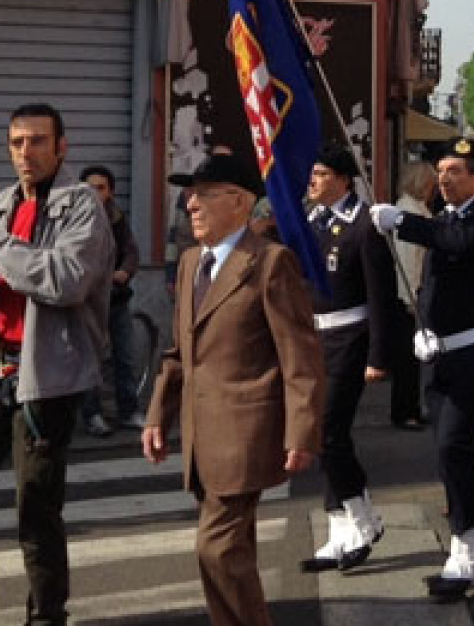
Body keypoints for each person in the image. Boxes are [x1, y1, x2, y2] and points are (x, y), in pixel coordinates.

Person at [0, 103, 114, 626]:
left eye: (38, 141)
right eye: (17, 142)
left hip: (46, 375)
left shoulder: (80, 205)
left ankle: (45, 617)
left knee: (35, 508)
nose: (26, 152)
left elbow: (64, 280)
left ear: (61, 147)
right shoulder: (1, 201)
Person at [142, 152, 324, 626]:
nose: (191, 205)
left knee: (217, 548)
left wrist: (301, 432)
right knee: (230, 551)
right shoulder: (188, 264)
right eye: (189, 195)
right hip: (201, 432)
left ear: (240, 203)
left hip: (246, 430)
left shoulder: (269, 263)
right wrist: (158, 413)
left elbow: (299, 355)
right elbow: (179, 350)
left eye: (204, 194)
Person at [372, 137, 474, 599]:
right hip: (445, 351)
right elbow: (435, 280)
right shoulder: (448, 218)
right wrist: (425, 327)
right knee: (451, 451)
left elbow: (460, 243)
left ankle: (463, 550)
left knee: (454, 445)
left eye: (456, 170)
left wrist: (404, 222)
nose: (446, 178)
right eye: (442, 170)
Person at [298, 146, 393, 572]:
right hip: (315, 339)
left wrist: (378, 354)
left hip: (350, 338)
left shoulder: (363, 225)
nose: (313, 181)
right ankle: (340, 531)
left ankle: (363, 517)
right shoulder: (311, 222)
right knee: (320, 435)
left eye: (320, 173)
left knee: (330, 432)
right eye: (311, 173)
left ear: (343, 180)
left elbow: (380, 296)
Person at [79, 164, 143, 435]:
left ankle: (128, 411)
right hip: (89, 302)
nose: (95, 193)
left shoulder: (117, 218)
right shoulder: (76, 220)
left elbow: (131, 250)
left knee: (124, 357)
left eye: (101, 188)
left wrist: (124, 272)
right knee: (91, 360)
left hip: (117, 300)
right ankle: (92, 414)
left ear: (111, 192)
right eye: (90, 187)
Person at [386, 160, 435, 429]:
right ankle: (405, 410)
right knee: (407, 359)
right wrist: (409, 298)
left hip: (413, 292)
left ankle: (411, 406)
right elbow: (407, 261)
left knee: (413, 358)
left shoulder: (416, 209)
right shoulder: (407, 212)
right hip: (408, 296)